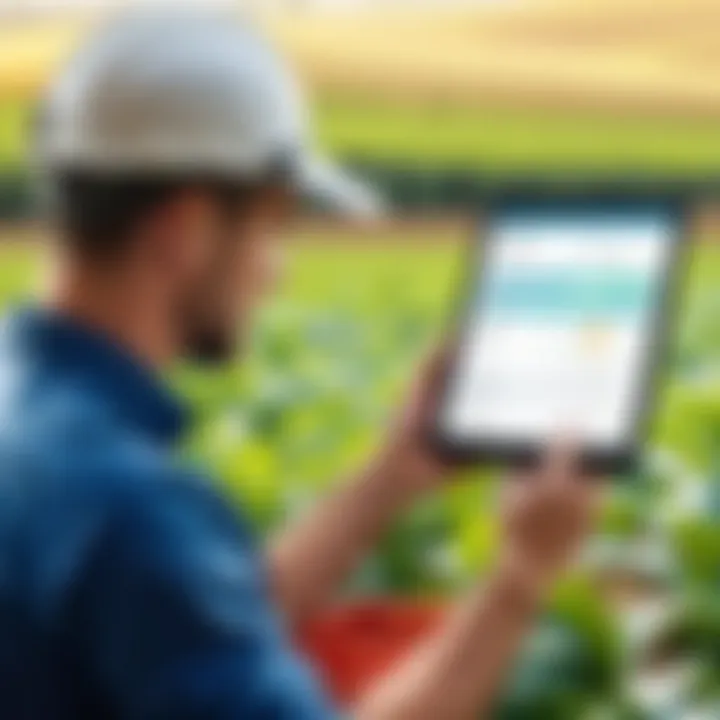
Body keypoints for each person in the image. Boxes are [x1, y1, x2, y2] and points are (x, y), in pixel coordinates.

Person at [0, 8, 600, 719]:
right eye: (271, 228)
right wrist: (521, 578)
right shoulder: (131, 509)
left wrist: (392, 477)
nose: (273, 273)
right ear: (185, 229)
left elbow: (196, 619)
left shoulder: (33, 415)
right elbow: (160, 576)